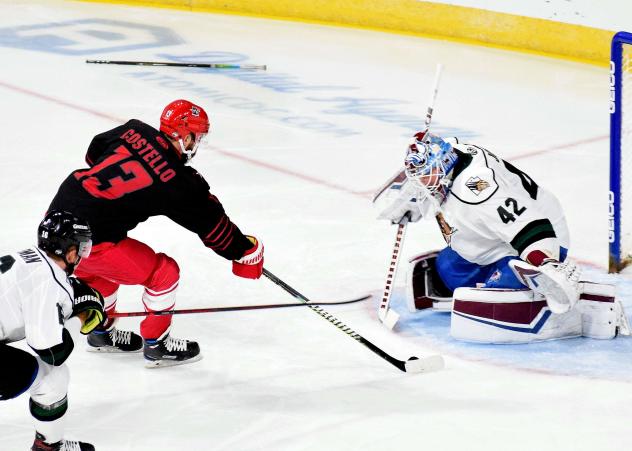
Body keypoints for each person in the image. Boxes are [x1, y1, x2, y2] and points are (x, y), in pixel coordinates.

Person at [47, 99, 264, 367]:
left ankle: (101, 333)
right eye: (197, 137)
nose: (197, 145)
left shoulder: (134, 130)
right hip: (93, 239)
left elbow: (95, 152)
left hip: (57, 217)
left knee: (98, 273)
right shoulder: (178, 180)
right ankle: (157, 344)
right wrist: (244, 251)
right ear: (185, 136)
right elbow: (214, 228)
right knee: (164, 273)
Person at [374, 131, 629, 343]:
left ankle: (566, 308)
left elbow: (529, 224)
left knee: (492, 300)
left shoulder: (479, 189)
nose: (422, 182)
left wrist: (545, 262)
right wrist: (412, 197)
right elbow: (429, 167)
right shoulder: (451, 152)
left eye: (425, 176)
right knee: (447, 271)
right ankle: (501, 275)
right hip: (491, 237)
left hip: (535, 238)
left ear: (444, 165)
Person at [0, 210, 105, 451]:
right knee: (52, 379)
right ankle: (49, 447)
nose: (81, 256)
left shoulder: (25, 258)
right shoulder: (49, 281)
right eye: (82, 249)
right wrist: (82, 316)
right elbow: (52, 351)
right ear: (70, 252)